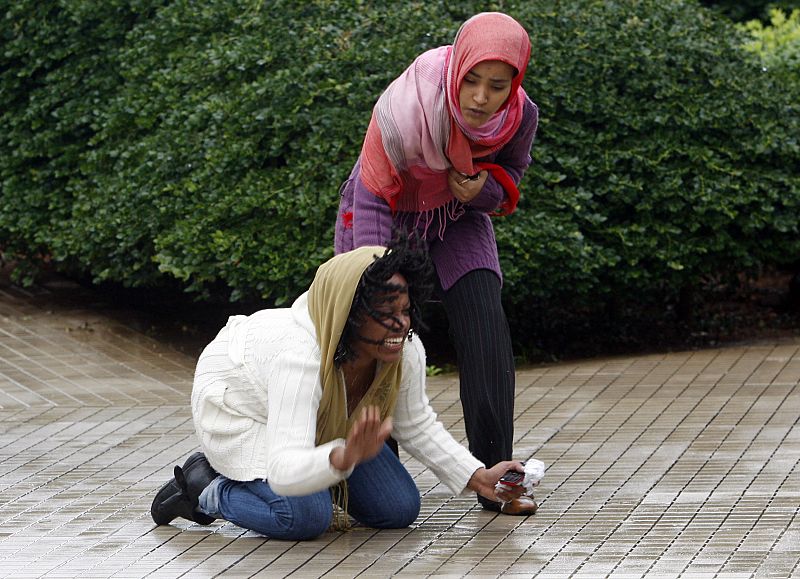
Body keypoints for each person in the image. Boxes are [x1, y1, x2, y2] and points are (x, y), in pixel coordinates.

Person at [150, 237, 529, 540]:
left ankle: (315, 471)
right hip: (240, 409)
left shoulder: (404, 347)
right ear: (349, 314)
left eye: (405, 309)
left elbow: (416, 424)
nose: (400, 325)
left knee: (397, 509)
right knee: (302, 516)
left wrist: (480, 477)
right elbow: (283, 469)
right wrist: (343, 459)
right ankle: (206, 487)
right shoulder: (301, 359)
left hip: (320, 431)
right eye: (385, 313)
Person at [333, 12, 538, 514]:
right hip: (383, 208)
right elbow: (373, 189)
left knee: (487, 328)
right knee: (378, 333)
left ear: (514, 85)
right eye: (470, 80)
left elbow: (511, 175)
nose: (480, 98)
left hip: (454, 215)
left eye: (496, 86)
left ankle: (500, 481)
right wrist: (378, 279)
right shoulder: (407, 104)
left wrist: (483, 189)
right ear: (456, 68)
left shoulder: (520, 116)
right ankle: (379, 484)